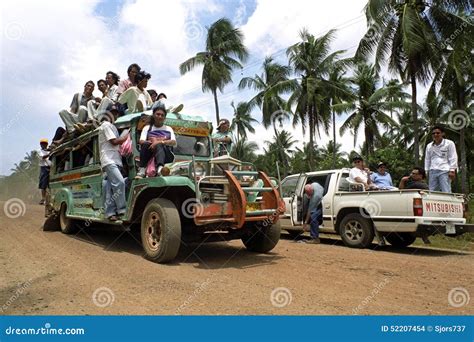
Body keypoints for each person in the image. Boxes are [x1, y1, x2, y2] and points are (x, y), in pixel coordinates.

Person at [98, 105, 129, 221]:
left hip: (116, 160)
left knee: (109, 187)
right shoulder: (105, 125)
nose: (114, 115)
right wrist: (127, 134)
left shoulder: (113, 127)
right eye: (112, 112)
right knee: (120, 182)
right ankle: (122, 210)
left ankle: (110, 213)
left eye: (116, 113)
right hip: (108, 160)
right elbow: (115, 142)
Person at [136, 102, 177, 179]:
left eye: (162, 115)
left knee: (159, 145)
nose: (160, 116)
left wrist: (159, 142)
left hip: (167, 156)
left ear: (164, 118)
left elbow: (173, 142)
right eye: (158, 114)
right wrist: (152, 142)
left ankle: (160, 168)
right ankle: (142, 169)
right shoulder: (147, 128)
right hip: (150, 153)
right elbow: (141, 141)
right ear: (154, 115)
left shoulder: (168, 128)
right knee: (145, 144)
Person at [424, 125, 458, 193]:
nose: (435, 135)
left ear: (442, 134)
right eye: (433, 133)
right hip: (432, 170)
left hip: (444, 170)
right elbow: (427, 159)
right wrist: (426, 171)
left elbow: (453, 157)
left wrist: (452, 170)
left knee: (446, 190)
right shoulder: (429, 146)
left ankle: (448, 203)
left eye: (438, 133)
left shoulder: (449, 143)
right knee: (432, 191)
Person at [38, 138, 51, 205]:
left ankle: (50, 199)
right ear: (40, 145)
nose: (44, 145)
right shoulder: (40, 152)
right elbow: (43, 157)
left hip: (51, 168)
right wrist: (51, 153)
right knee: (43, 185)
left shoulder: (50, 150)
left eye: (45, 143)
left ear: (47, 144)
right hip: (44, 168)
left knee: (51, 184)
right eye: (42, 143)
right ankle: (43, 199)